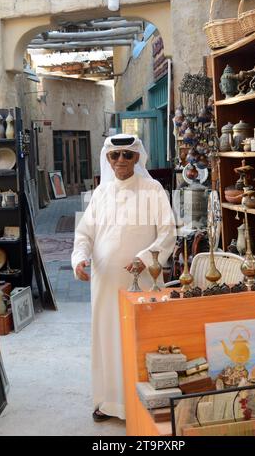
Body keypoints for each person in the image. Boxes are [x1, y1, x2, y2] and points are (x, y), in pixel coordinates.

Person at [71, 134, 176, 422]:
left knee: (139, 339)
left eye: (127, 155)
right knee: (107, 339)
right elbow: (84, 235)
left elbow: (167, 233)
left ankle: (141, 404)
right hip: (104, 283)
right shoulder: (101, 193)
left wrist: (143, 260)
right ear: (107, 158)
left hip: (141, 282)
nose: (120, 161)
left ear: (137, 158)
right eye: (114, 155)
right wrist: (79, 258)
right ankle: (108, 402)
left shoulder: (152, 189)